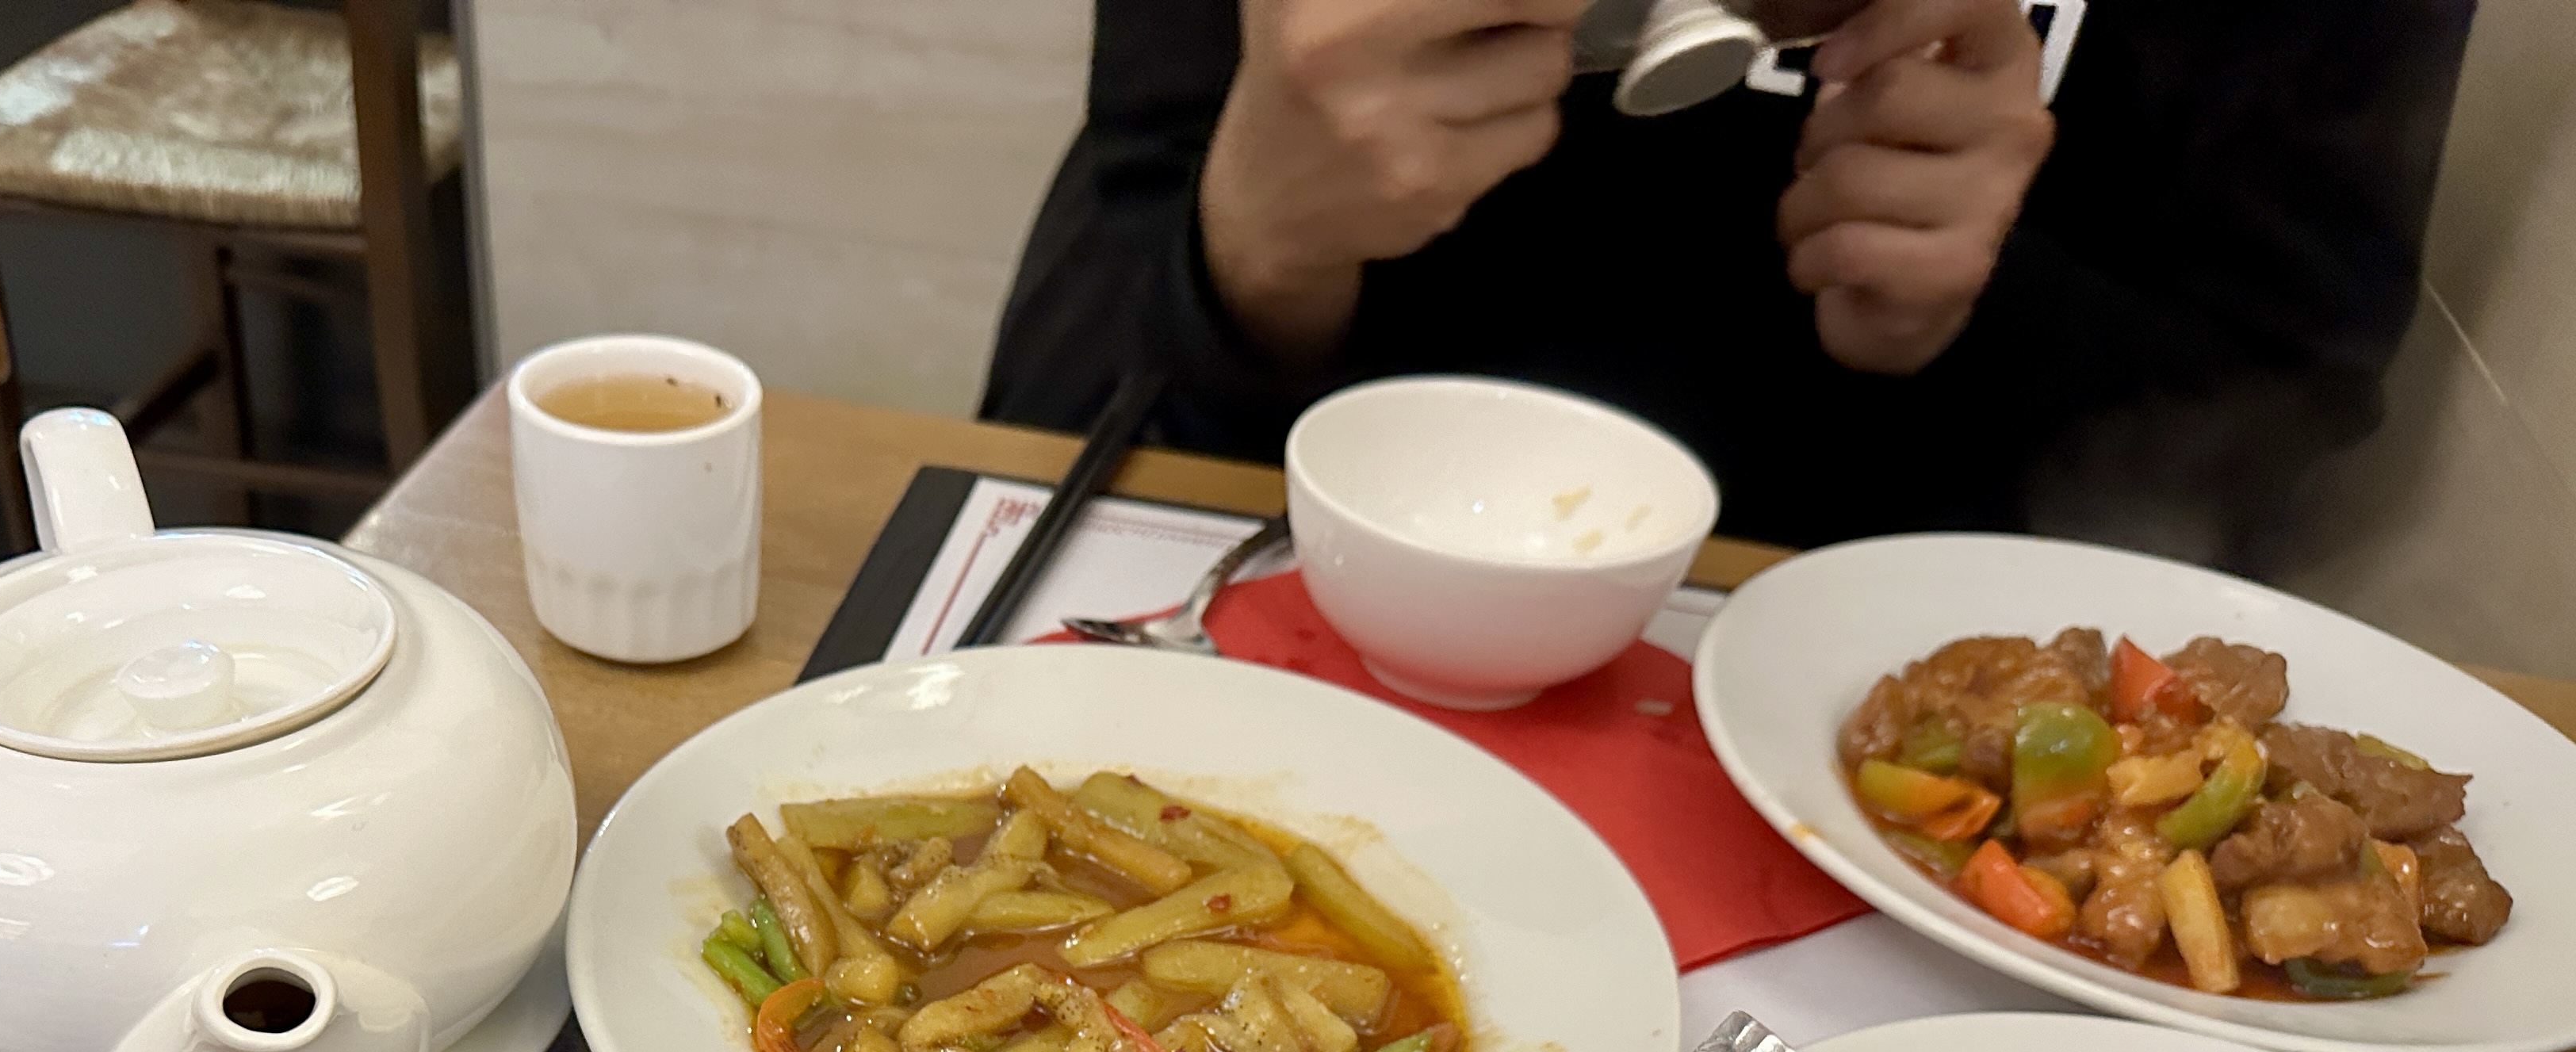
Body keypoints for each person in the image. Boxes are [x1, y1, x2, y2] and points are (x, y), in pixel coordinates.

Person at [985, 0, 2477, 562]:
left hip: (1898, 683)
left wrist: (1970, 315)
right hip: (1276, 563)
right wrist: (1259, 242)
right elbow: (1048, 431)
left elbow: (2276, 417)